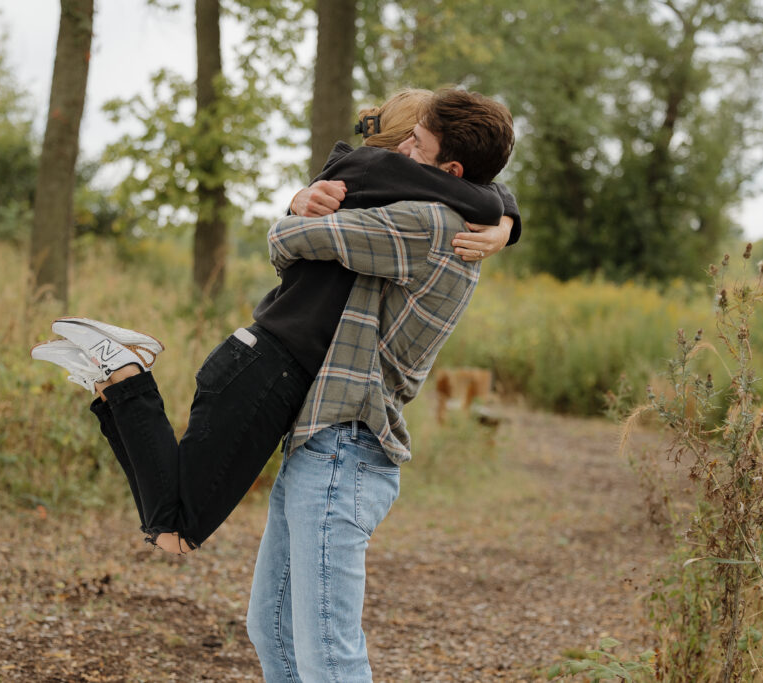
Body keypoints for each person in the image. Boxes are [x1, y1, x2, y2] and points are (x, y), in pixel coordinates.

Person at [31, 88, 520, 559]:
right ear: (400, 146)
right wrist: (497, 216)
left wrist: (506, 222)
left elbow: (480, 185)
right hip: (268, 371)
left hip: (257, 362)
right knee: (176, 531)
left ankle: (113, 380)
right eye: (411, 139)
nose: (414, 150)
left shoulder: (386, 199)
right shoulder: (377, 172)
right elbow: (476, 196)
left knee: (171, 527)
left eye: (423, 143)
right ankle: (124, 370)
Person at [244, 88, 515, 682]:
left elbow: (287, 240)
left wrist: (299, 205)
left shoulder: (424, 222)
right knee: (276, 631)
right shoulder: (454, 210)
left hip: (344, 449)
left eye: (414, 144)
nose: (397, 152)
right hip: (321, 443)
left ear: (451, 172)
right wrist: (507, 217)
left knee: (329, 656)